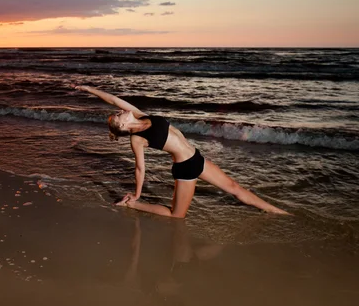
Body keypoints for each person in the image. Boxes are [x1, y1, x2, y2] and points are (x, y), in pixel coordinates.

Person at [73, 85, 289, 218]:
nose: (120, 110)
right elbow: (140, 168)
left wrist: (88, 90)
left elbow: (113, 99)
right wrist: (137, 194)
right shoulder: (137, 139)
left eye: (118, 111)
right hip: (184, 168)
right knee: (176, 216)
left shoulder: (140, 115)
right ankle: (134, 205)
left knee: (234, 187)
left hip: (196, 157)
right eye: (118, 115)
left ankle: (276, 212)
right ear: (121, 126)